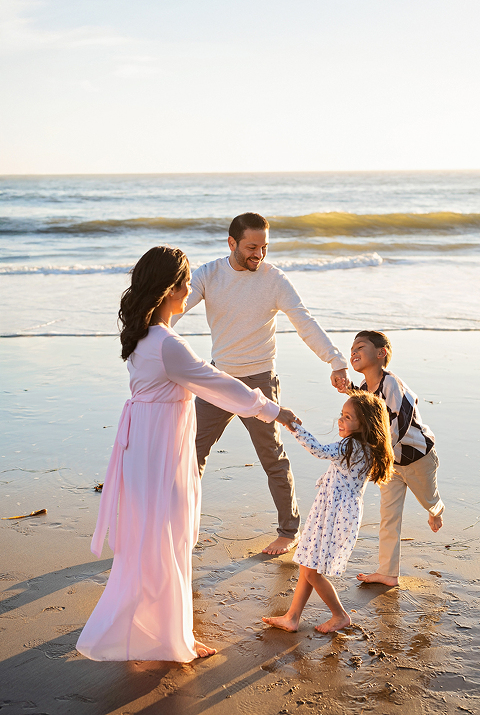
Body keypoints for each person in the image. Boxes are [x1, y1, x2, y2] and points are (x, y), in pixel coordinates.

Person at [76, 246, 299, 663]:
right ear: (169, 289)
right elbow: (218, 383)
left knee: (155, 536)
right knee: (171, 536)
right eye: (185, 283)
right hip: (160, 449)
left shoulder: (142, 336)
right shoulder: (167, 343)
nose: (189, 290)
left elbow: (208, 382)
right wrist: (272, 409)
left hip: (144, 444)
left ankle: (164, 630)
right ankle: (172, 637)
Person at [172, 212, 348, 555]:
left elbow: (304, 321)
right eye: (252, 247)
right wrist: (145, 338)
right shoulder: (208, 275)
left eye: (264, 247)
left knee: (272, 457)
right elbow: (173, 311)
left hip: (259, 383)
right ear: (232, 243)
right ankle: (179, 526)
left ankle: (289, 530)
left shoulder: (273, 279)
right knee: (190, 455)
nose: (260, 254)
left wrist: (335, 360)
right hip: (218, 379)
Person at [262, 392, 394, 634]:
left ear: (364, 424)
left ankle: (339, 615)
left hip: (333, 515)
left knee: (311, 571)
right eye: (341, 415)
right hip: (336, 512)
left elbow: (319, 450)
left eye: (347, 417)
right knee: (307, 565)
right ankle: (292, 617)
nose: (340, 421)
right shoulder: (364, 447)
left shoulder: (351, 446)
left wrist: (292, 426)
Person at [338, 330, 445, 587]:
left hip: (418, 458)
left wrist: (380, 451)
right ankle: (388, 572)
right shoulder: (365, 389)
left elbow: (401, 419)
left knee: (429, 499)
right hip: (390, 465)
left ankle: (436, 510)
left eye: (360, 347)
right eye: (351, 348)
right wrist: (348, 390)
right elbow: (366, 409)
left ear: (380, 353)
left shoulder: (392, 384)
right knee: (389, 517)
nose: (353, 352)